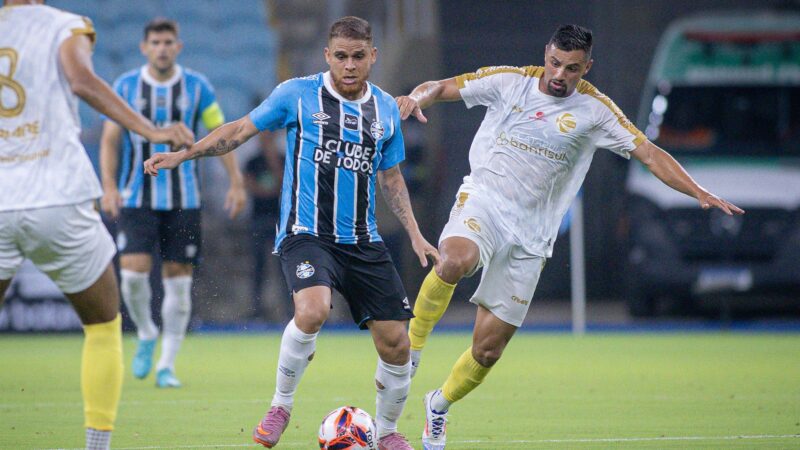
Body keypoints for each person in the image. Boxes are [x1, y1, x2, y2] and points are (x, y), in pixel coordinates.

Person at [395, 24, 744, 449]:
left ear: (587, 67)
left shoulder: (596, 110)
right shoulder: (510, 81)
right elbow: (442, 86)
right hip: (484, 201)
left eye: (572, 68)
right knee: (453, 260)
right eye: (555, 63)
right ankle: (409, 352)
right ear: (546, 54)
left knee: (487, 352)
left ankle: (439, 404)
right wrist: (416, 97)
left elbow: (649, 153)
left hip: (532, 236)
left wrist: (699, 191)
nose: (560, 74)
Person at [144, 16, 439, 450]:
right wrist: (186, 154)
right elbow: (240, 130)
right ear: (327, 56)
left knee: (396, 343)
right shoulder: (297, 94)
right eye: (341, 56)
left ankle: (388, 432)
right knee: (313, 310)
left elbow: (391, 178)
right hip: (306, 233)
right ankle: (281, 405)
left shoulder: (385, 110)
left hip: (362, 239)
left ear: (373, 56)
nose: (350, 65)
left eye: (359, 56)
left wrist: (414, 234)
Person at [0, 1, 193, 449]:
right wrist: (153, 130)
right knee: (104, 325)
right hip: (58, 195)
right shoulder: (64, 26)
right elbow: (82, 80)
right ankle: (96, 446)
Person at [99, 18, 246, 389]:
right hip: (137, 195)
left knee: (179, 285)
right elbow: (110, 139)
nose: (162, 48)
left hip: (185, 199)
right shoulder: (126, 86)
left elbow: (219, 135)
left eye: (168, 42)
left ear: (178, 47)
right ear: (144, 47)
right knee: (131, 274)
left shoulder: (197, 87)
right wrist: (108, 186)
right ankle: (147, 332)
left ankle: (166, 364)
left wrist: (236, 181)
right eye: (156, 42)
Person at [243, 130, 284, 319]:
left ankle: (288, 308)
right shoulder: (252, 162)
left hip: (280, 221)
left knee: (283, 268)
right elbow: (249, 185)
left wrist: (272, 157)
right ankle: (256, 309)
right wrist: (268, 191)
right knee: (258, 266)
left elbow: (284, 183)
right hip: (258, 220)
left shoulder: (282, 159)